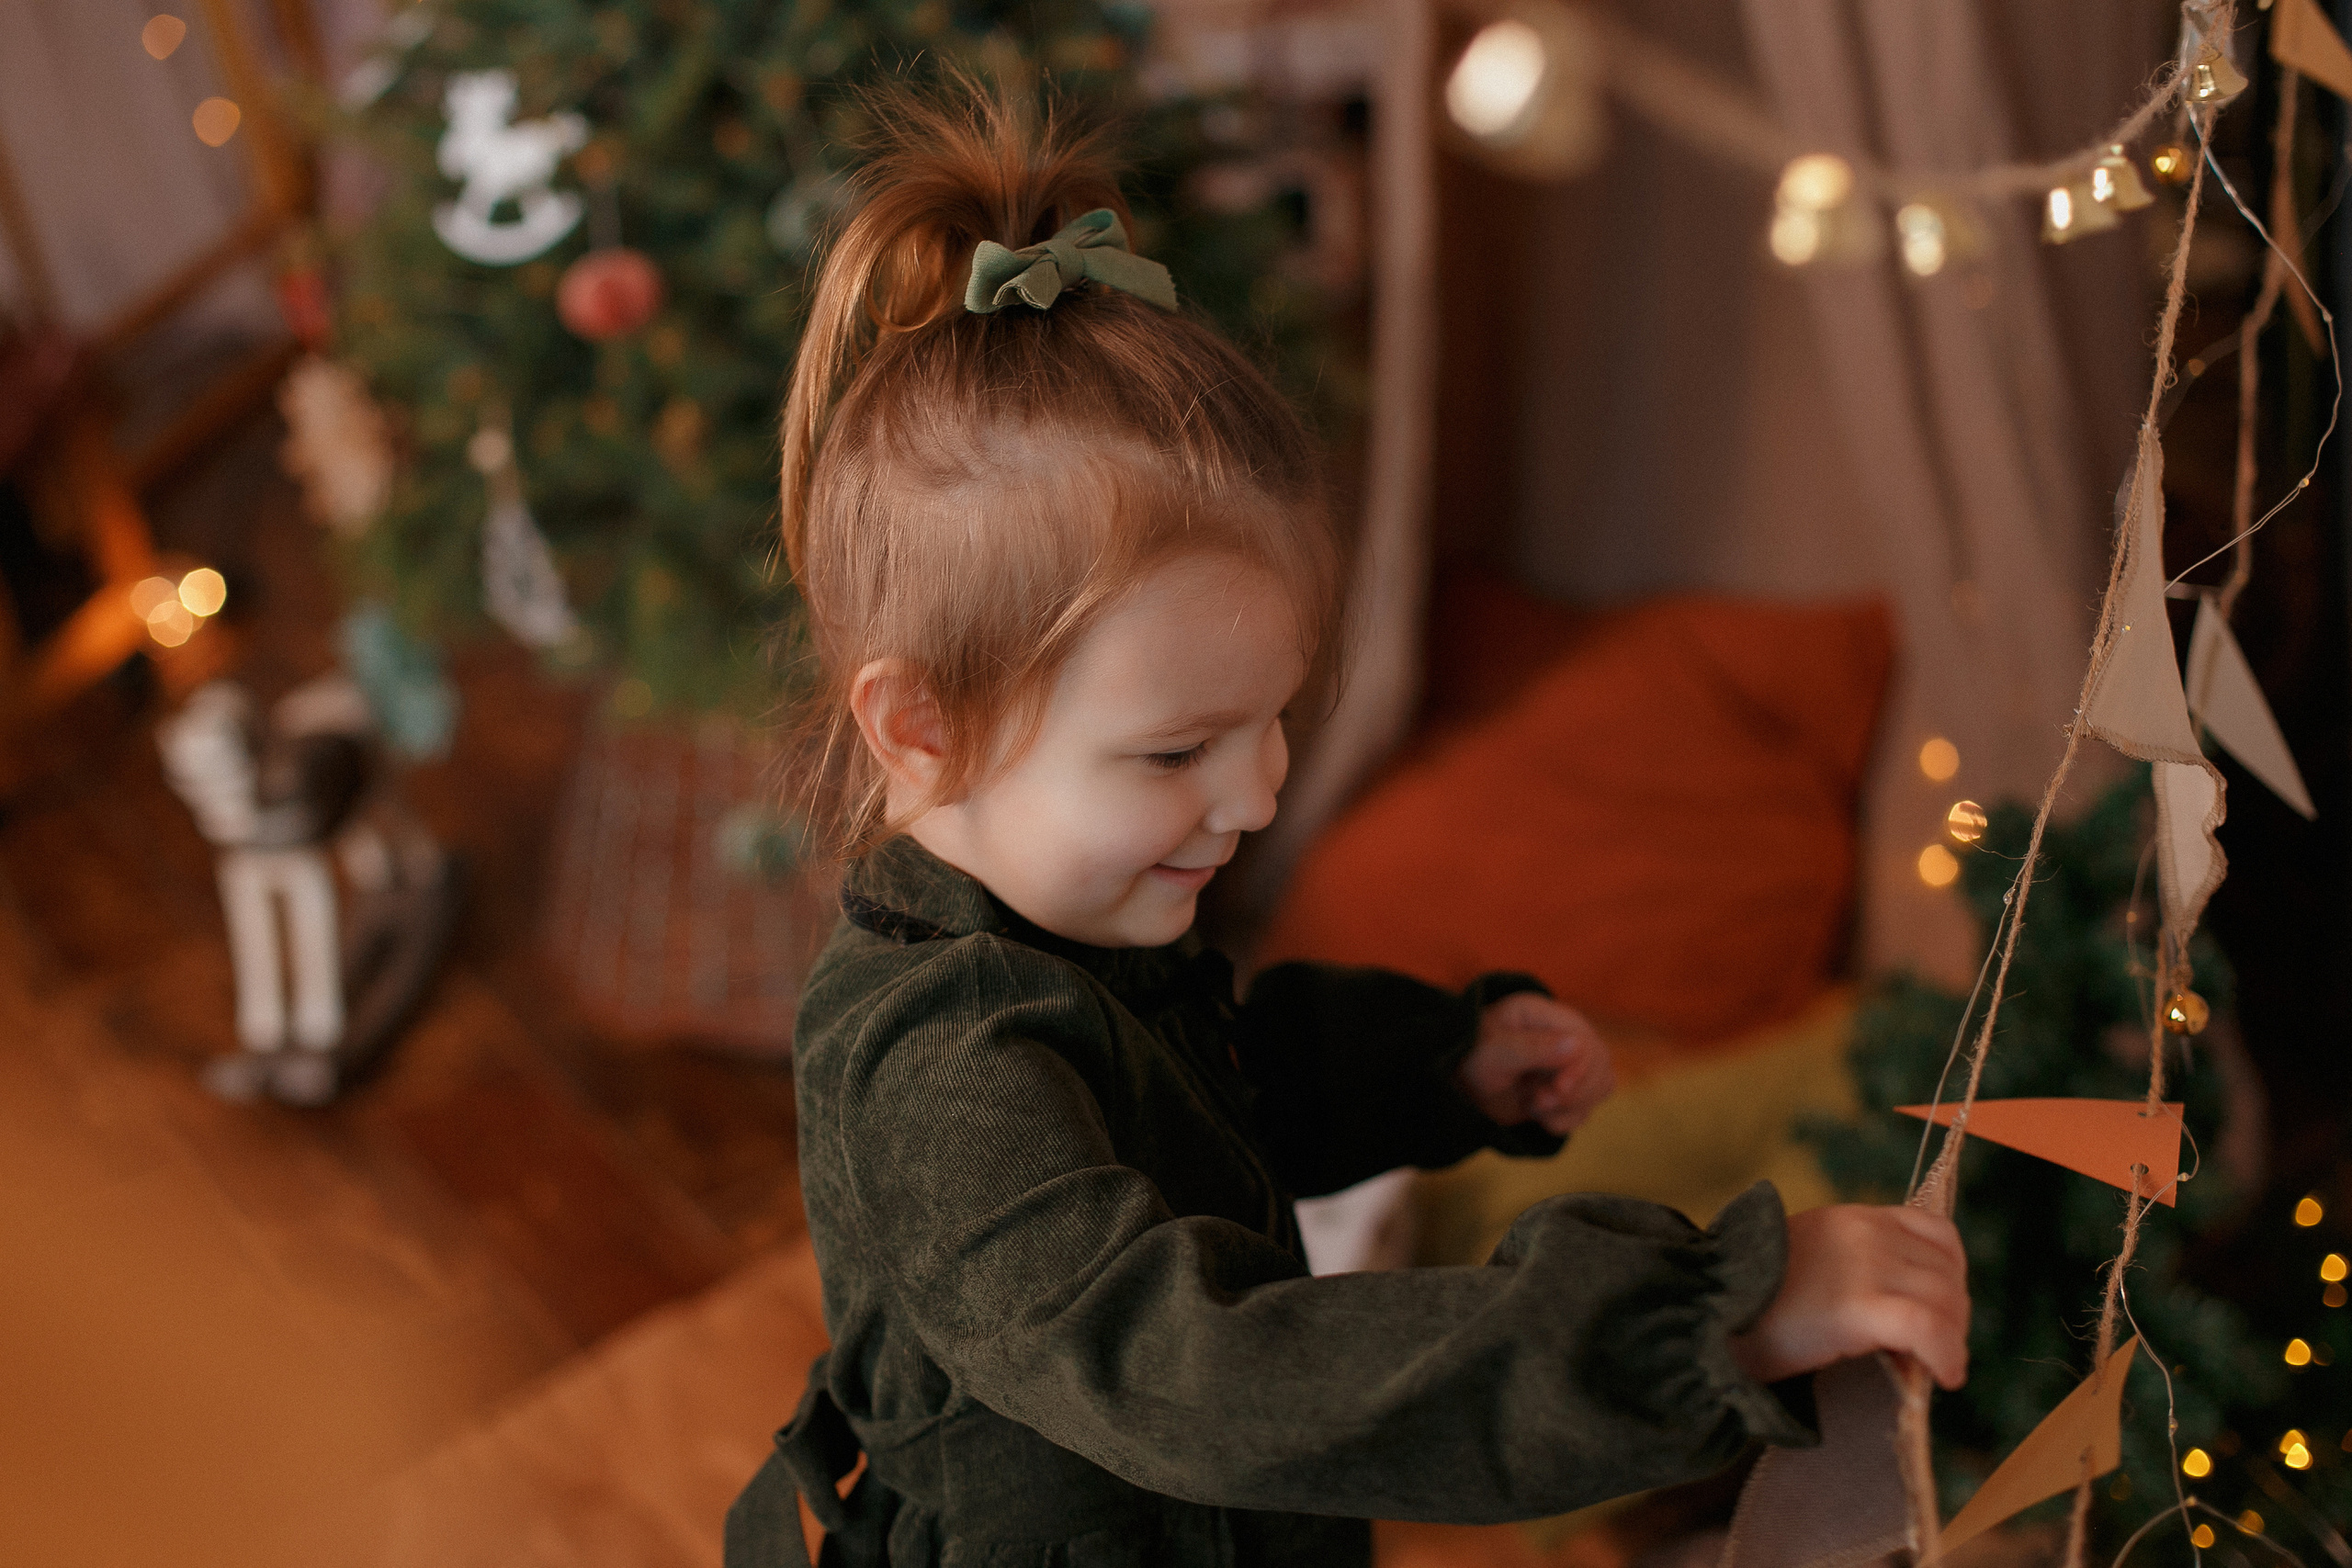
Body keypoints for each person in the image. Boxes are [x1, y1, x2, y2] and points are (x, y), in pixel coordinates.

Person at [726, 77, 1969, 1568]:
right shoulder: (940, 1073)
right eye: (1178, 749)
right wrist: (1711, 1316)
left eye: (1274, 724)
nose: (1254, 798)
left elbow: (1213, 1095)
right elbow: (1209, 1374)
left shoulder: (1071, 926)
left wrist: (1429, 1066)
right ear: (920, 728)